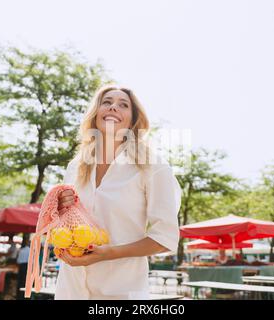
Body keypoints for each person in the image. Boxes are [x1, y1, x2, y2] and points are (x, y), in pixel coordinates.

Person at [52, 85, 181, 299]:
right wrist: (58, 210)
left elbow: (164, 238)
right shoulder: (76, 166)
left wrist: (108, 253)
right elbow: (65, 226)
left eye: (123, 105)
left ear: (132, 120)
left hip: (120, 291)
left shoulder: (153, 167)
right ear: (95, 114)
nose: (113, 107)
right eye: (106, 102)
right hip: (70, 289)